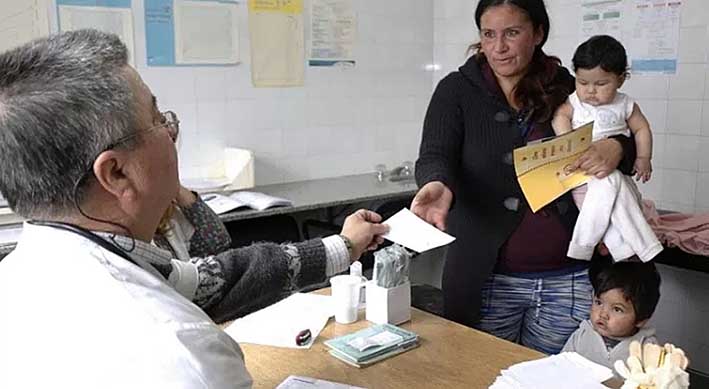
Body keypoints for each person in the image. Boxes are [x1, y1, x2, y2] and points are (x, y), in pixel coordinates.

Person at [0, 30, 389, 388]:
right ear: (117, 173)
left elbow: (219, 277)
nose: (171, 131)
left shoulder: (28, 272)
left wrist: (344, 245)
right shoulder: (185, 354)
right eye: (157, 118)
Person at [411, 0, 637, 354]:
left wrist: (618, 148)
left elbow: (618, 126)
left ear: (538, 34)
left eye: (512, 33)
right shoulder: (456, 90)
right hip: (485, 276)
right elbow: (434, 154)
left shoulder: (568, 86)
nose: (498, 47)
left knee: (553, 378)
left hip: (566, 277)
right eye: (489, 34)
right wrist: (436, 182)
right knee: (480, 373)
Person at [552, 35, 662, 264]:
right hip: (582, 175)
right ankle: (641, 246)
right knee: (612, 197)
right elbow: (559, 116)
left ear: (620, 79)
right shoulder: (574, 102)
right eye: (582, 83)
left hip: (612, 170)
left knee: (614, 192)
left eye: (601, 84)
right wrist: (567, 140)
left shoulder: (625, 104)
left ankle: (589, 244)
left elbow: (642, 129)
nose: (590, 91)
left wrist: (643, 157)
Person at [562, 259, 661, 373]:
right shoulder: (581, 335)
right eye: (598, 302)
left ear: (641, 320)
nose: (603, 314)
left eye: (617, 309)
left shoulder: (648, 349)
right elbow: (561, 368)